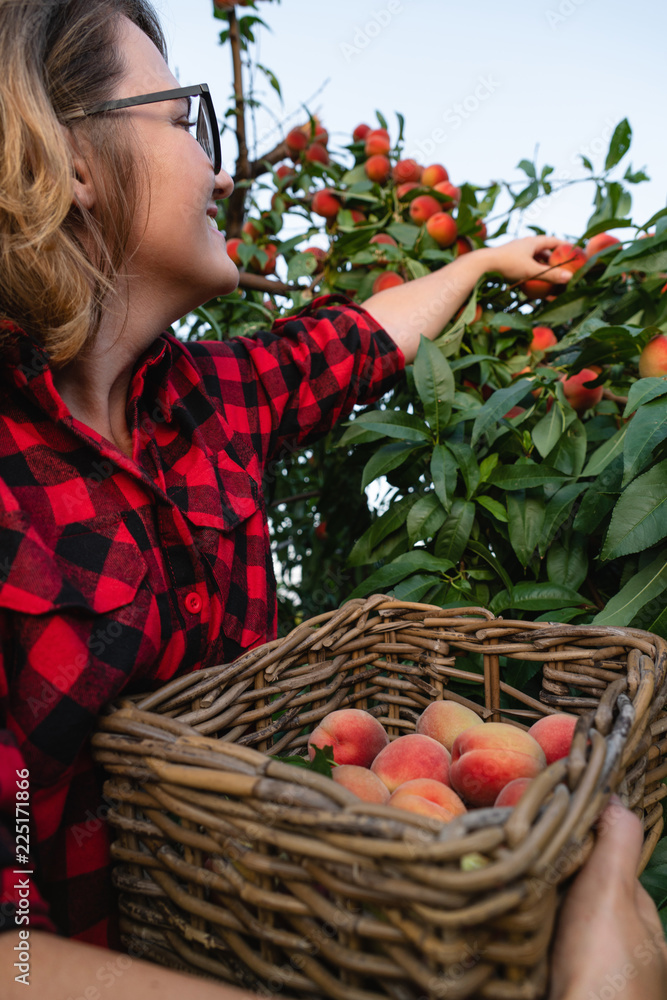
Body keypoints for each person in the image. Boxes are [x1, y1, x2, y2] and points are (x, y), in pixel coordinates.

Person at [0, 1, 664, 998]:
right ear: (72, 164)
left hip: (279, 931)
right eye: (186, 123)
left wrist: (481, 262)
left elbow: (358, 338)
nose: (221, 170)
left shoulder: (211, 397)